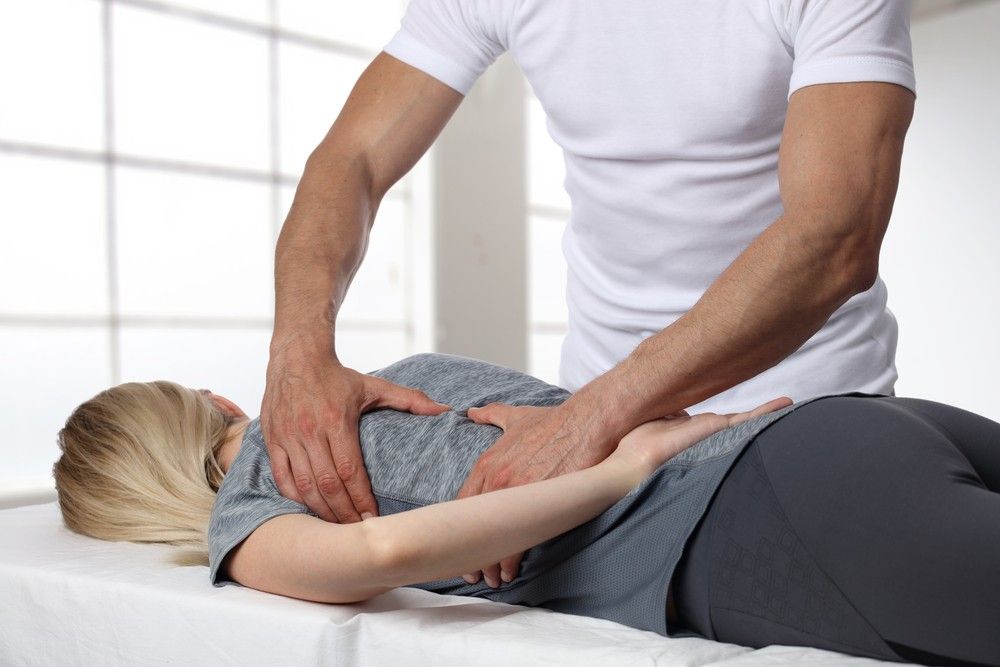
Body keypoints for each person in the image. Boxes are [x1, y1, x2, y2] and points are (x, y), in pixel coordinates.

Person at [261, 0, 917, 591]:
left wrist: (592, 417)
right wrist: (297, 348)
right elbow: (352, 158)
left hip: (801, 409)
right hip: (595, 444)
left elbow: (836, 233)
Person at [54, 352, 1000, 665]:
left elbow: (378, 551)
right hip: (846, 434)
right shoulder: (395, 382)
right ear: (213, 403)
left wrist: (621, 474)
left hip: (762, 520)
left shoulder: (249, 520)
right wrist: (637, 443)